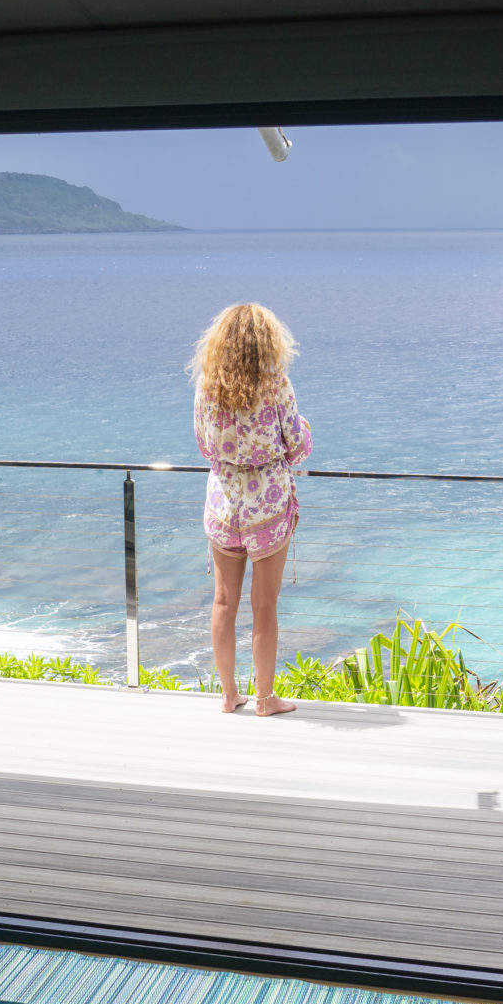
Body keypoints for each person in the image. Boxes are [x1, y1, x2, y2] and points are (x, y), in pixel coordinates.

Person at [189, 302, 311, 716]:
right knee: (265, 605)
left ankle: (228, 695)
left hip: (224, 501)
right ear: (267, 341)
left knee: (223, 602)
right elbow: (296, 447)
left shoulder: (207, 385)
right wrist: (304, 430)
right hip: (268, 506)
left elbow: (205, 446)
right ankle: (265, 700)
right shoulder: (276, 385)